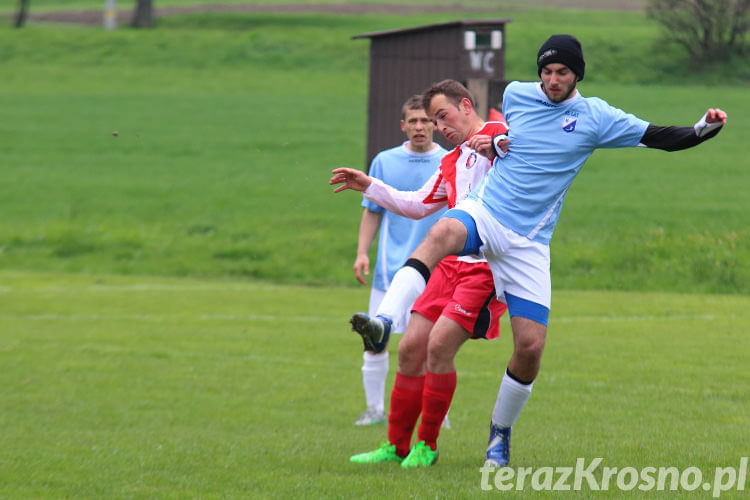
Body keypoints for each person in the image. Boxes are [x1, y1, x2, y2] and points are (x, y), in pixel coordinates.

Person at [349, 34, 727, 467]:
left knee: (530, 348)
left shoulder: (595, 116)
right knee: (441, 234)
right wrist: (500, 145)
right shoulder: (516, 95)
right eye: (546, 71)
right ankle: (383, 321)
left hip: (529, 243)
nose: (551, 79)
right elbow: (504, 135)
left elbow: (660, 136)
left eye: (561, 72)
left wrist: (703, 128)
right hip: (488, 212)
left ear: (576, 74)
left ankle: (500, 434)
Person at [330, 80, 509, 467]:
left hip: (485, 270)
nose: (439, 127)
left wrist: (498, 141)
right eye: (433, 120)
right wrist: (370, 185)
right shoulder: (451, 161)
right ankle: (396, 448)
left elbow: (518, 146)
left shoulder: (499, 137)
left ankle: (427, 446)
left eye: (442, 117)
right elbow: (415, 204)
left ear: (466, 105)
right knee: (410, 349)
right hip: (447, 267)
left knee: (438, 347)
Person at [348, 95, 448, 426]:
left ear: (435, 124)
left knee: (432, 345)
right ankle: (374, 409)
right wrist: (363, 252)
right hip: (389, 271)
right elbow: (372, 211)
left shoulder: (450, 162)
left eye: (425, 120)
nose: (419, 127)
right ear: (403, 126)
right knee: (376, 339)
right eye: (413, 121)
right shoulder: (384, 162)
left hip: (436, 272)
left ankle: (436, 412)